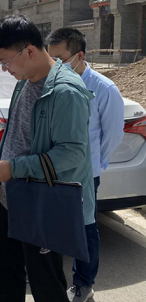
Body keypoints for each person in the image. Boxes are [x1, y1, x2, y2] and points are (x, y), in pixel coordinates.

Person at [0, 15, 95, 302]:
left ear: (29, 51)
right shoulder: (24, 80)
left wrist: (14, 167)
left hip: (41, 202)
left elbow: (71, 154)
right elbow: (17, 133)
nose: (4, 69)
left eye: (5, 61)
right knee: (7, 274)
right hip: (12, 196)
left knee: (45, 283)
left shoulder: (65, 91)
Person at [46, 28, 124, 302]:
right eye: (51, 59)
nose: (55, 66)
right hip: (54, 168)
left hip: (84, 174)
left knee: (85, 228)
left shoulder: (103, 88)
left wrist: (94, 164)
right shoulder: (51, 83)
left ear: (79, 56)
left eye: (60, 59)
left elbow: (113, 134)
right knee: (53, 224)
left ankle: (83, 283)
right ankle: (47, 274)